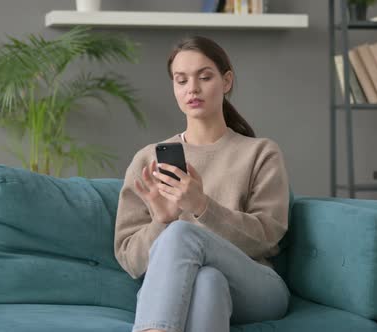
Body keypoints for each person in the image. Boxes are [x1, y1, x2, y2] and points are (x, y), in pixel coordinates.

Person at [114, 36, 290, 332]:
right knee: (208, 281)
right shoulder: (148, 160)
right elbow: (131, 261)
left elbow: (267, 237)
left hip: (257, 286)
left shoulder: (261, 153)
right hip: (193, 286)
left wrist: (201, 206)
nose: (192, 89)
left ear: (227, 81)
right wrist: (161, 221)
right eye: (181, 81)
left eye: (204, 77)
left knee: (183, 231)